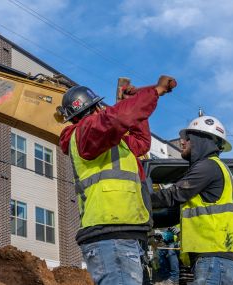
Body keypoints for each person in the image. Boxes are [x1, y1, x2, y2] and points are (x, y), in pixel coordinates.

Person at [58, 75, 177, 285]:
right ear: (94, 109)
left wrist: (130, 100)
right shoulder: (85, 133)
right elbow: (116, 119)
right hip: (110, 235)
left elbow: (141, 142)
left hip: (125, 234)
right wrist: (155, 91)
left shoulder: (111, 141)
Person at [150, 113, 233, 285]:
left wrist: (132, 200)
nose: (182, 142)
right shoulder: (211, 169)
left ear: (201, 140)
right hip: (224, 261)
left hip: (215, 261)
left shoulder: (208, 166)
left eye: (187, 138)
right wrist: (143, 221)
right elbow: (173, 215)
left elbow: (173, 194)